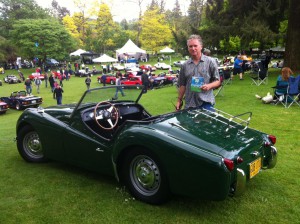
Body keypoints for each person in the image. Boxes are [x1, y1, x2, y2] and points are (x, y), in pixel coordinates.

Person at [176, 34, 221, 112]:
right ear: (188, 48)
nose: (193, 48)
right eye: (190, 46)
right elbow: (182, 85)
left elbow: (217, 81)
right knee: (189, 124)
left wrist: (209, 86)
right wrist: (179, 100)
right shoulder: (185, 65)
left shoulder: (210, 62)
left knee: (207, 124)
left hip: (206, 103)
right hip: (189, 104)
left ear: (201, 46)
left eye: (195, 46)